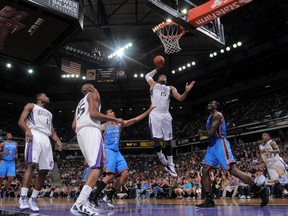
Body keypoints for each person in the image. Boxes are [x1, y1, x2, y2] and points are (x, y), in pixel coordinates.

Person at [197, 101, 269, 208]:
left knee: (233, 171)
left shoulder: (218, 115)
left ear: (217, 106)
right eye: (209, 103)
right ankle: (209, 200)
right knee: (205, 169)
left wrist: (201, 132)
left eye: (212, 103)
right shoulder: (210, 116)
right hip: (212, 146)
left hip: (220, 143)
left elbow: (211, 131)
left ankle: (259, 190)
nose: (209, 104)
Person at [70, 84, 123, 216]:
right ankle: (80, 203)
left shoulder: (80, 103)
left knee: (96, 166)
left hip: (80, 133)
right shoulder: (93, 94)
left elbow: (73, 125)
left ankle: (83, 202)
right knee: (98, 167)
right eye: (95, 87)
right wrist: (114, 118)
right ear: (90, 88)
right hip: (91, 130)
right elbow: (94, 114)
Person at [89, 106, 154, 208]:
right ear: (106, 115)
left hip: (117, 151)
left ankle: (109, 195)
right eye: (110, 111)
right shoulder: (103, 126)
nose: (113, 112)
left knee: (125, 172)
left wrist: (148, 111)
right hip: (108, 150)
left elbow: (135, 119)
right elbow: (93, 134)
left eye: (113, 110)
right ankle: (94, 197)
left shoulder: (118, 124)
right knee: (109, 176)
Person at [145, 65, 195, 177]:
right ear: (157, 79)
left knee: (168, 141)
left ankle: (171, 163)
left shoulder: (170, 88)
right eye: (160, 76)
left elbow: (180, 98)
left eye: (164, 76)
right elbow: (147, 75)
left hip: (166, 115)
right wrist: (157, 69)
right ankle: (161, 156)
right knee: (156, 139)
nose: (163, 77)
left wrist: (186, 91)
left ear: (166, 80)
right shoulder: (153, 84)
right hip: (155, 114)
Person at [18, 93, 62, 211]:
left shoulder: (50, 113)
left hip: (46, 139)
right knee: (31, 165)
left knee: (44, 170)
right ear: (39, 97)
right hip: (34, 134)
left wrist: (58, 141)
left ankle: (33, 199)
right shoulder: (31, 106)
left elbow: (51, 131)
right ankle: (22, 198)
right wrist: (27, 129)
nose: (47, 97)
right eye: (45, 95)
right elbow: (21, 121)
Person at [0, 133, 18, 199]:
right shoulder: (3, 143)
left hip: (11, 162)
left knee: (11, 178)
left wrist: (16, 156)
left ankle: (4, 190)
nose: (10, 135)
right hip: (4, 161)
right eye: (9, 134)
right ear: (6, 137)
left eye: (11, 134)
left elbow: (16, 153)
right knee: (1, 178)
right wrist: (4, 153)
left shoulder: (15, 144)